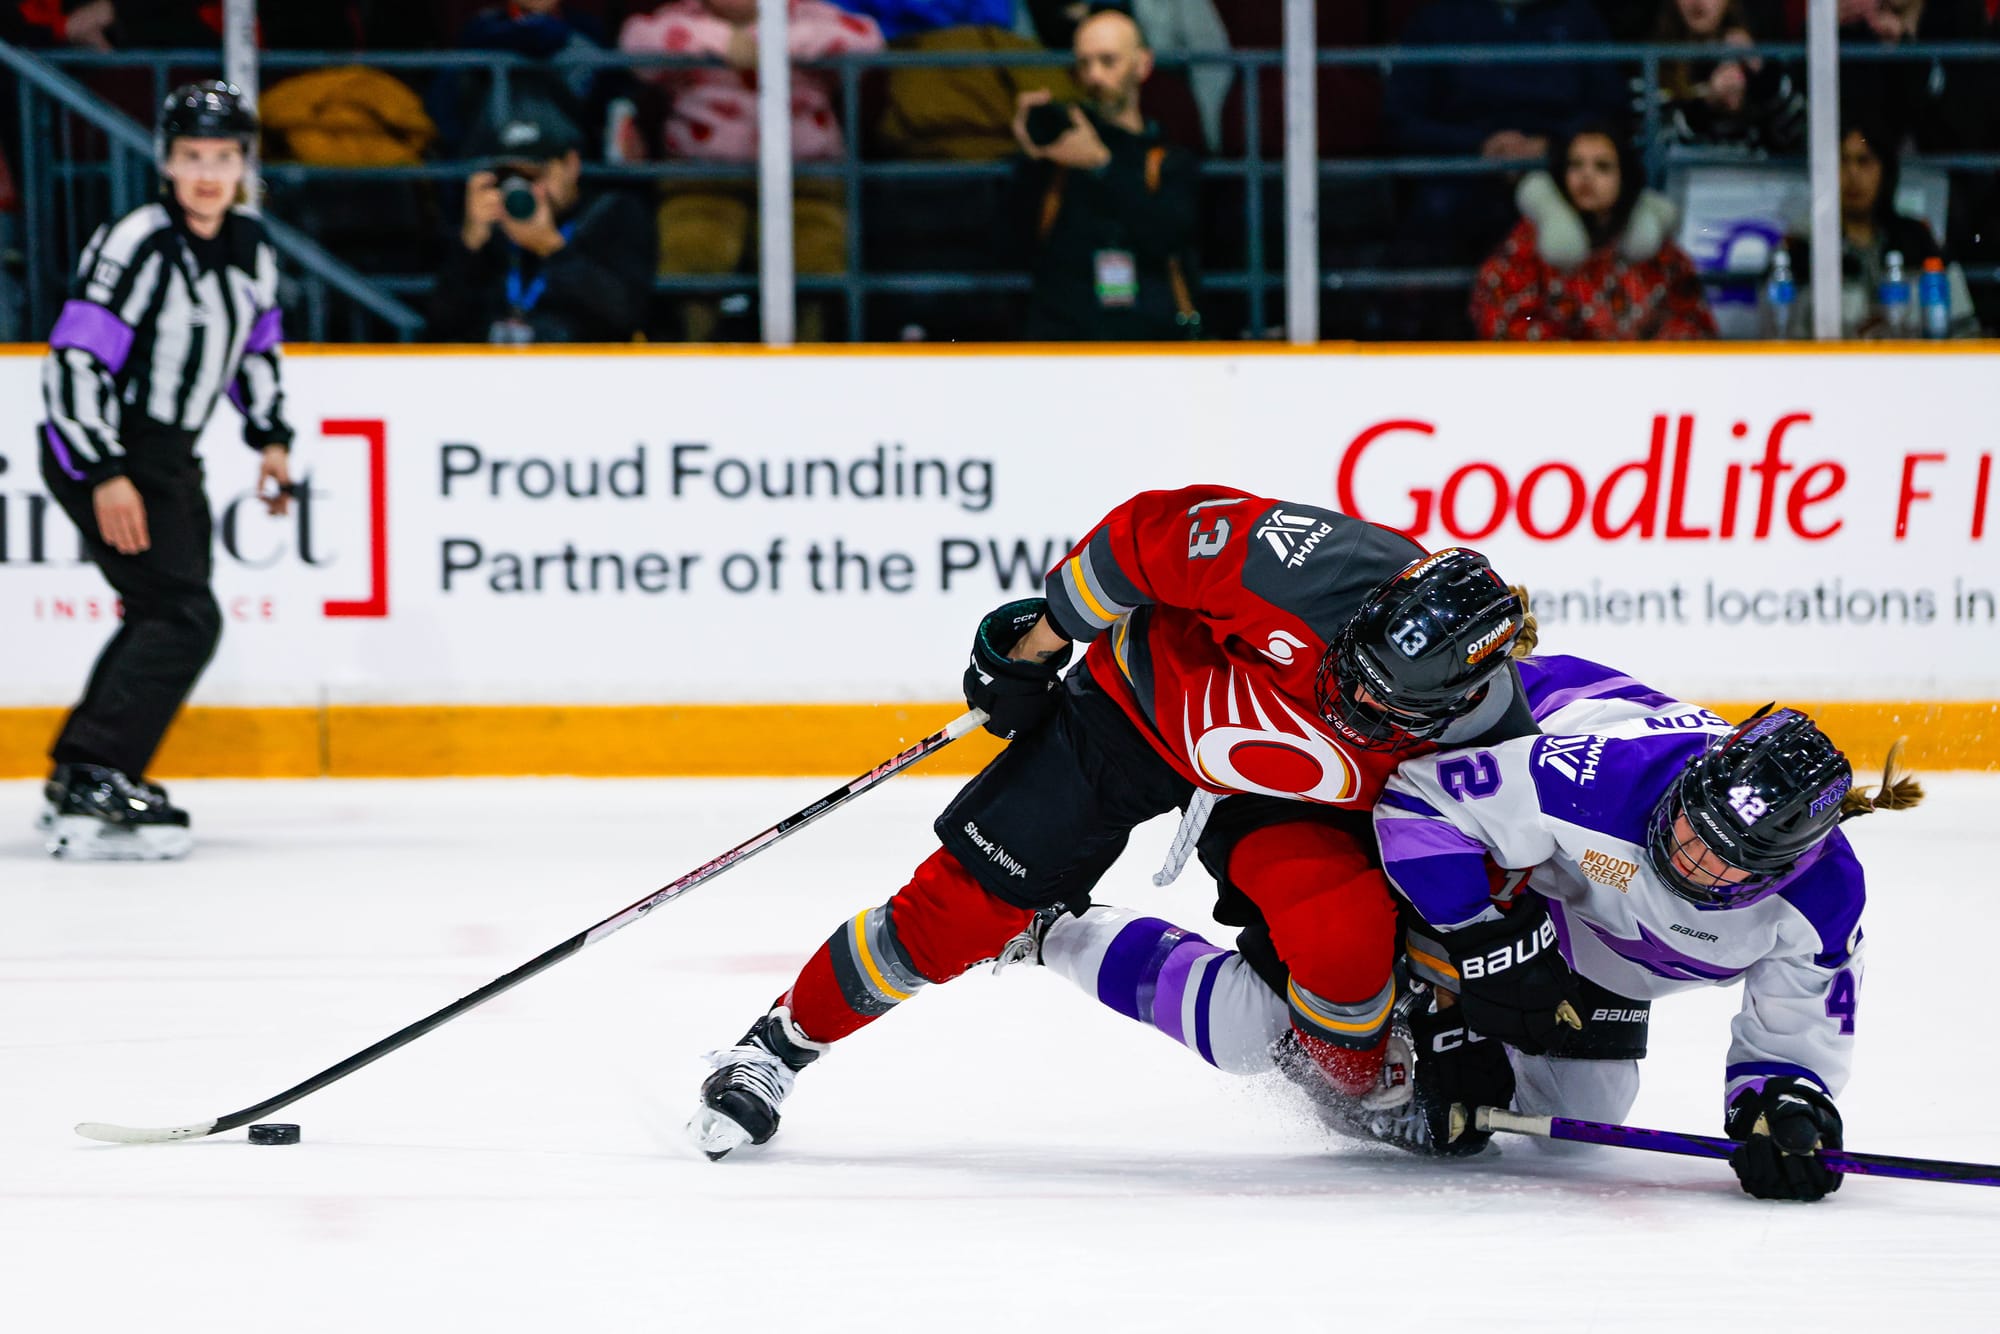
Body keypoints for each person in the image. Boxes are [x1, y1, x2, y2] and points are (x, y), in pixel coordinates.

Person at [687, 484, 1540, 1160]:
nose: (1345, 699)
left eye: (1377, 704)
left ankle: (1358, 1090)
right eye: (1351, 670)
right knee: (958, 914)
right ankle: (775, 1046)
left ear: (1455, 700)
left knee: (1344, 930)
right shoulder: (1316, 568)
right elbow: (1150, 535)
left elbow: (1479, 873)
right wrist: (1042, 642)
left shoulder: (1488, 735)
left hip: (1286, 802)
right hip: (1133, 717)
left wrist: (1456, 1011)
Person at [1012, 654, 1920, 1203]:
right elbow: (1420, 806)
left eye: (1723, 862)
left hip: (1569, 930)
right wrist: (1482, 951)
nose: (1687, 856)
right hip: (1456, 848)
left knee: (1577, 1116)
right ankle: (1051, 927)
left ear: (1784, 867)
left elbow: (1793, 1039)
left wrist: (1784, 1112)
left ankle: (1401, 1068)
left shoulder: (1823, 901)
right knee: (1258, 1028)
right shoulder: (1591, 779)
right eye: (1687, 825)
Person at [37, 81, 292, 861]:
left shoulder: (250, 246)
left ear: (244, 163)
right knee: (181, 613)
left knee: (169, 609)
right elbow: (77, 358)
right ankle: (96, 771)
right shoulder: (137, 240)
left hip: (170, 454)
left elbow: (256, 349)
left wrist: (271, 438)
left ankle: (87, 771)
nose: (208, 173)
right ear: (166, 163)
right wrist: (106, 469)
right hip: (105, 446)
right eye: (191, 157)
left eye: (222, 157)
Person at [618, 0, 884, 342]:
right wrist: (721, 42)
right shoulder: (683, 18)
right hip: (703, 175)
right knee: (693, 251)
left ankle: (809, 358)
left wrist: (775, 42)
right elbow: (636, 41)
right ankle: (691, 356)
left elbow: (867, 39)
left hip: (805, 175)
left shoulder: (806, 15)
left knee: (817, 258)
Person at [1010, 7, 1202, 340]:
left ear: (1143, 64)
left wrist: (1101, 164)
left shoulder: (1168, 159)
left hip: (1149, 346)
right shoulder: (1059, 157)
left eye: (1108, 61)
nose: (1094, 75)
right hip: (1063, 345)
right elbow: (1012, 247)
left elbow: (1167, 237)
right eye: (1084, 63)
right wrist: (1030, 156)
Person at [427, 104, 655, 344]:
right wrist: (469, 246)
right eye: (510, 178)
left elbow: (625, 315)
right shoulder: (493, 226)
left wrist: (551, 247)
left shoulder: (613, 213)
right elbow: (440, 326)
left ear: (571, 165)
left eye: (534, 176)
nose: (526, 190)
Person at [1471, 126, 1717, 340]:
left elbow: (1692, 320)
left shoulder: (1657, 251)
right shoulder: (1529, 241)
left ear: (1624, 177)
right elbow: (1502, 317)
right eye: (1575, 165)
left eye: (1602, 167)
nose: (1586, 176)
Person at [1811, 120, 1981, 337]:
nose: (1852, 174)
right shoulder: (1809, 247)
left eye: (1864, 161)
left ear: (1885, 170)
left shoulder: (1917, 239)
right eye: (1842, 161)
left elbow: (1965, 328)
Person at [1646, 0, 1805, 156]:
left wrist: (1760, 73)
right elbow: (1651, 150)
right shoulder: (1651, 63)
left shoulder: (1765, 56)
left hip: (1759, 177)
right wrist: (1707, 106)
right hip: (1686, 178)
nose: (1697, 2)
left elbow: (1800, 137)